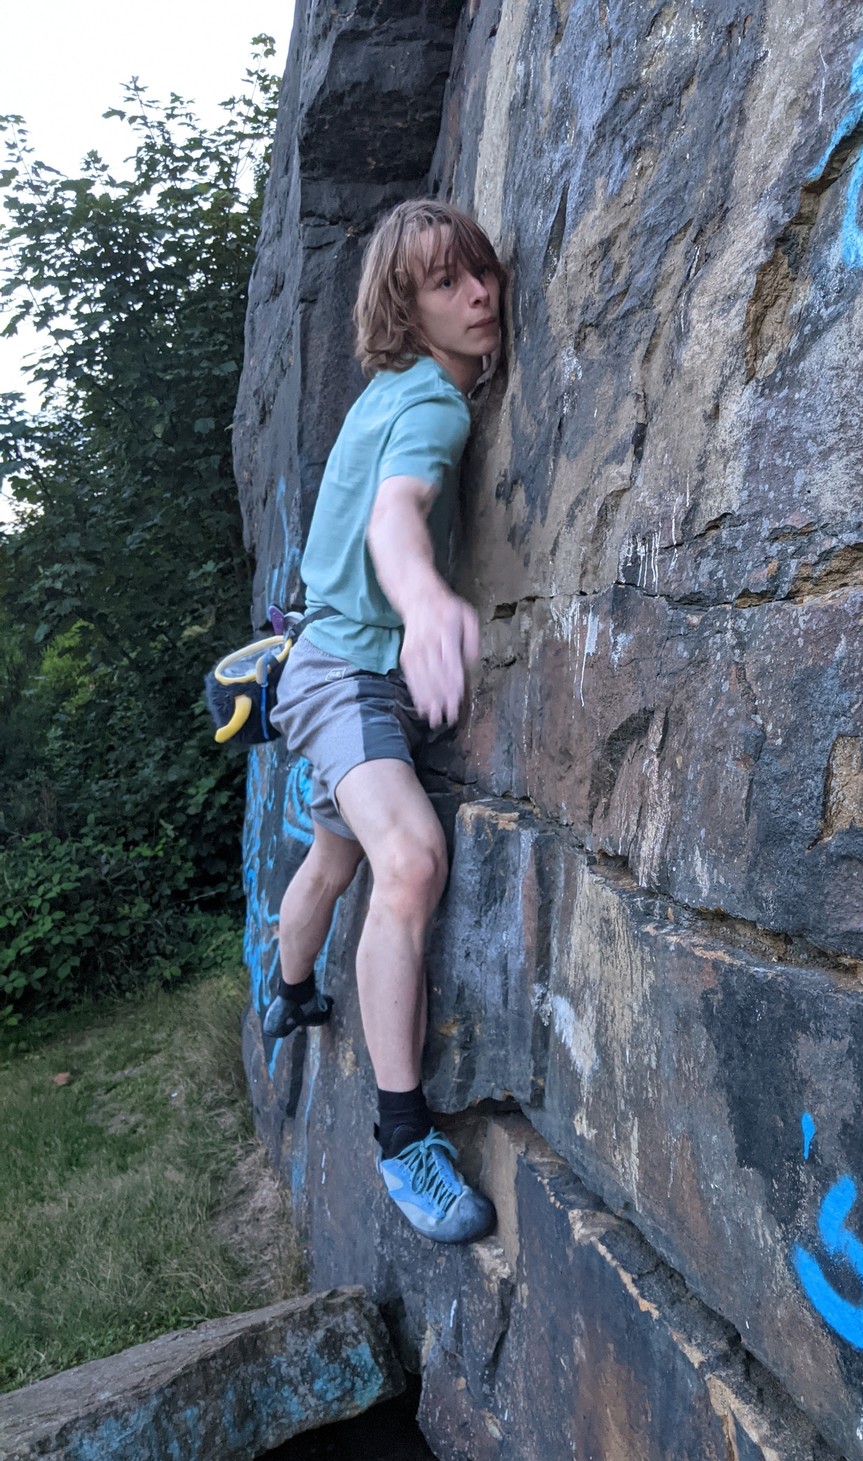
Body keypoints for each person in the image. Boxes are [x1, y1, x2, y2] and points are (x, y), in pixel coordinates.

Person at [263, 200, 505, 1245]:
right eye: (448, 283)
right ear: (407, 308)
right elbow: (395, 515)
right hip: (349, 681)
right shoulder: (434, 406)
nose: (481, 294)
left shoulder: (387, 390)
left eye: (482, 270)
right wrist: (425, 600)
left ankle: (289, 992)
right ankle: (403, 1143)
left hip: (322, 665)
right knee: (408, 860)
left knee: (333, 857)